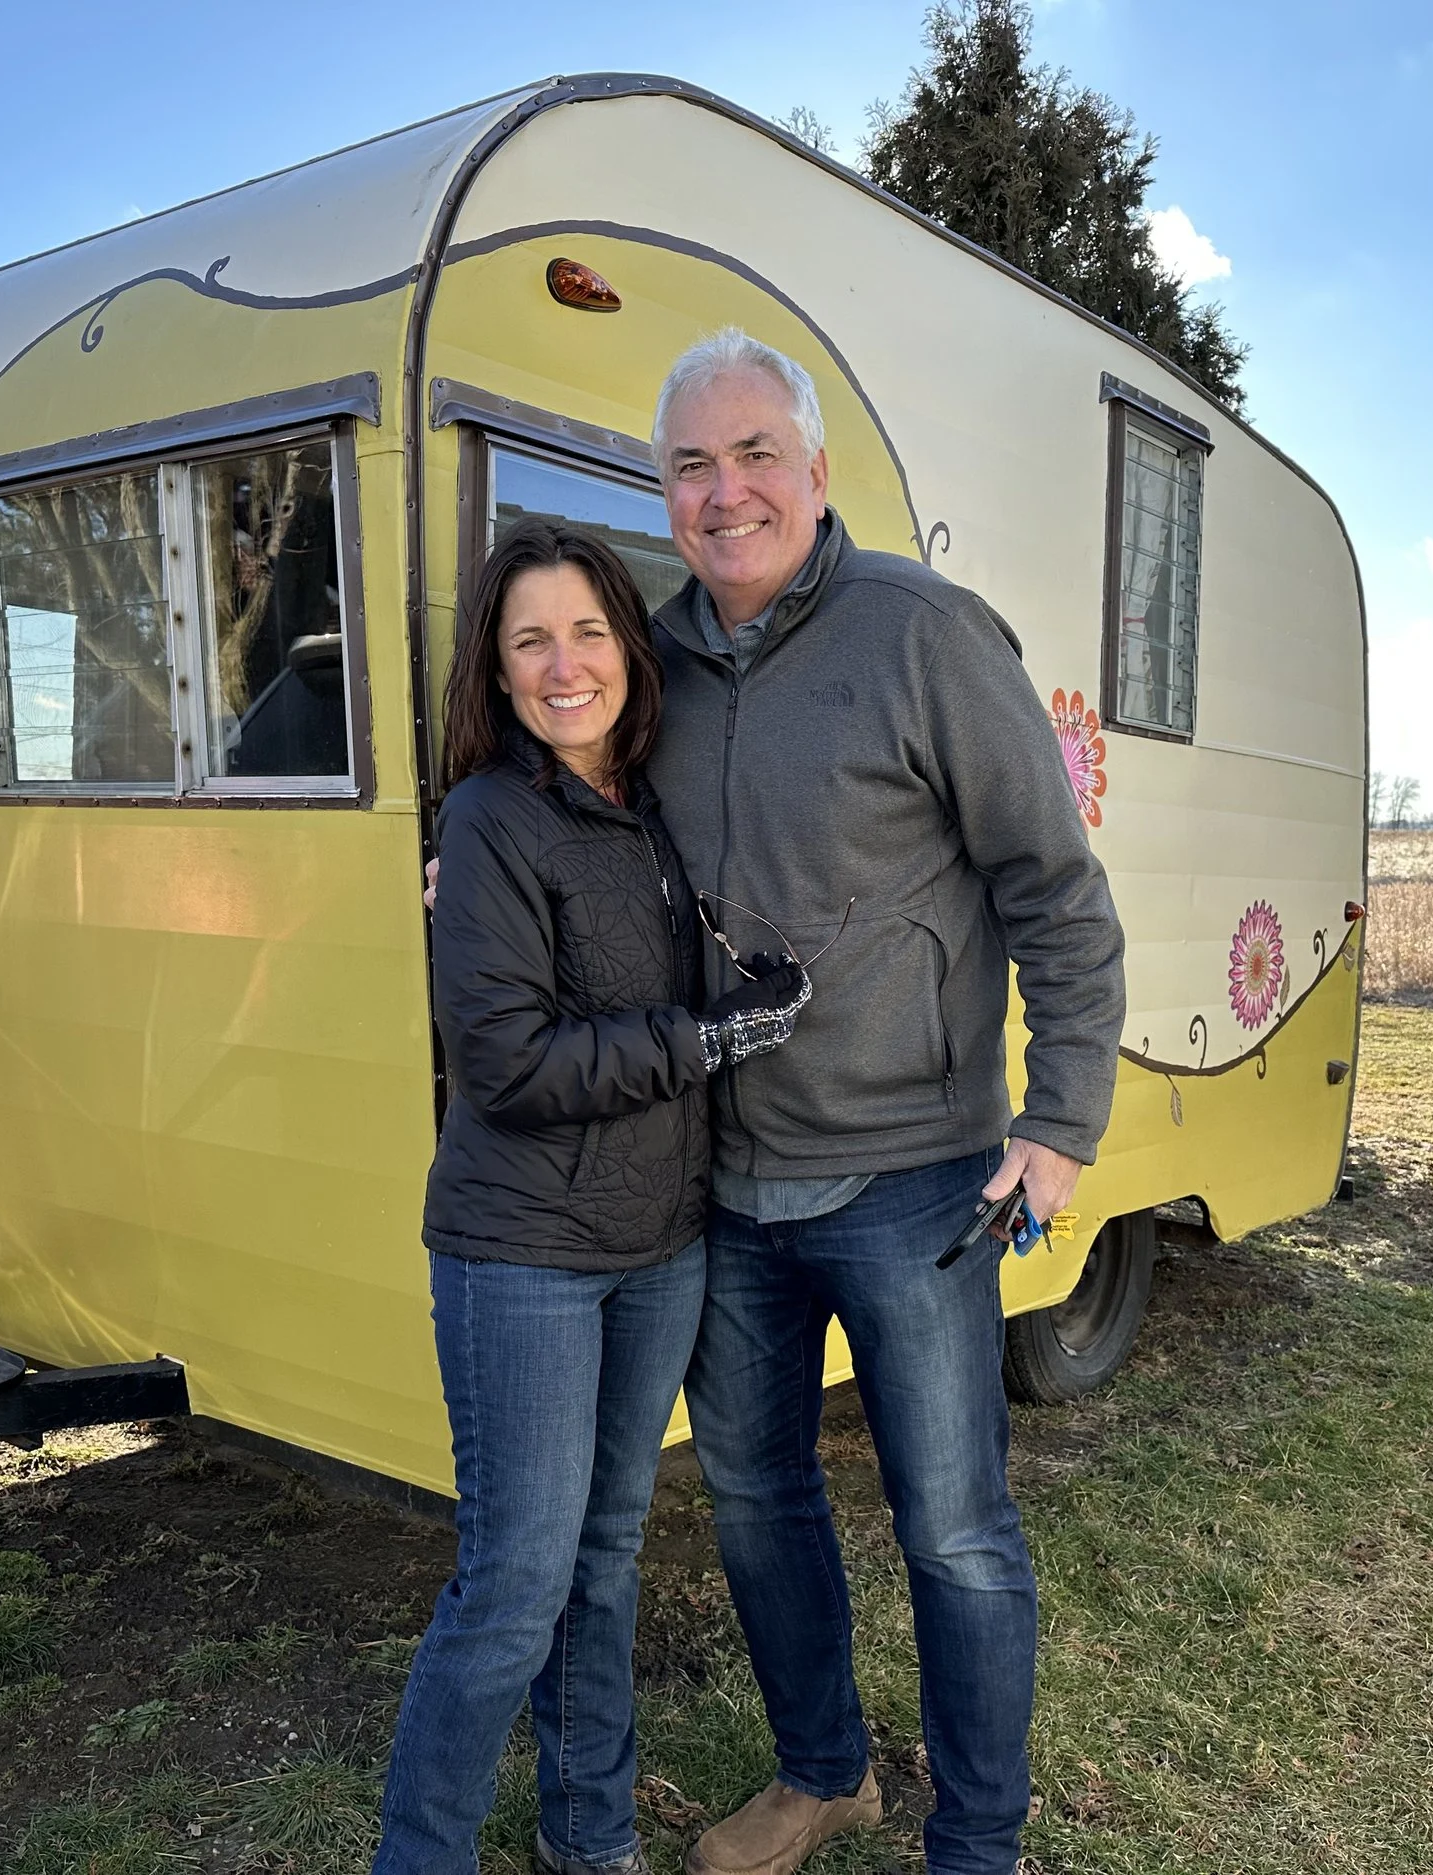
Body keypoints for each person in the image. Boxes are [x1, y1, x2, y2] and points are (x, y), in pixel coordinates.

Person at [645, 331, 1126, 1875]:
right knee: (755, 1496)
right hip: (726, 1182)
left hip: (917, 1181)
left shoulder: (923, 633)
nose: (726, 494)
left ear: (816, 469)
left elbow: (1055, 887)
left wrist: (1058, 1122)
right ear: (665, 493)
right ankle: (824, 1771)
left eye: (754, 455)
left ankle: (976, 1837)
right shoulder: (649, 666)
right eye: (691, 466)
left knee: (957, 1531)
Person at [376, 520, 811, 1875]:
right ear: (496, 676)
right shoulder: (493, 818)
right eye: (529, 641)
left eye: (585, 632)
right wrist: (706, 1039)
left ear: (629, 642)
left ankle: (593, 1836)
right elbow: (503, 1065)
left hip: (659, 1241)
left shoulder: (650, 806)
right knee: (512, 1583)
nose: (564, 665)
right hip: (528, 1256)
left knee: (606, 1556)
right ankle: (421, 1855)